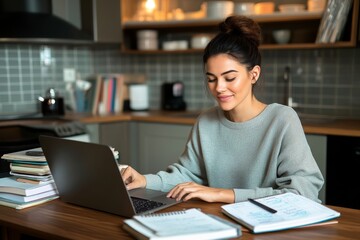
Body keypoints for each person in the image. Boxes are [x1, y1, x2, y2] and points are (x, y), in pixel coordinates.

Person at [121, 15, 324, 204]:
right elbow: (186, 175)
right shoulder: (206, 121)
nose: (218, 88)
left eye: (229, 78)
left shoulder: (282, 120)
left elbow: (303, 193)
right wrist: (144, 181)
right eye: (211, 79)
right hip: (221, 222)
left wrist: (222, 193)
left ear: (253, 75)